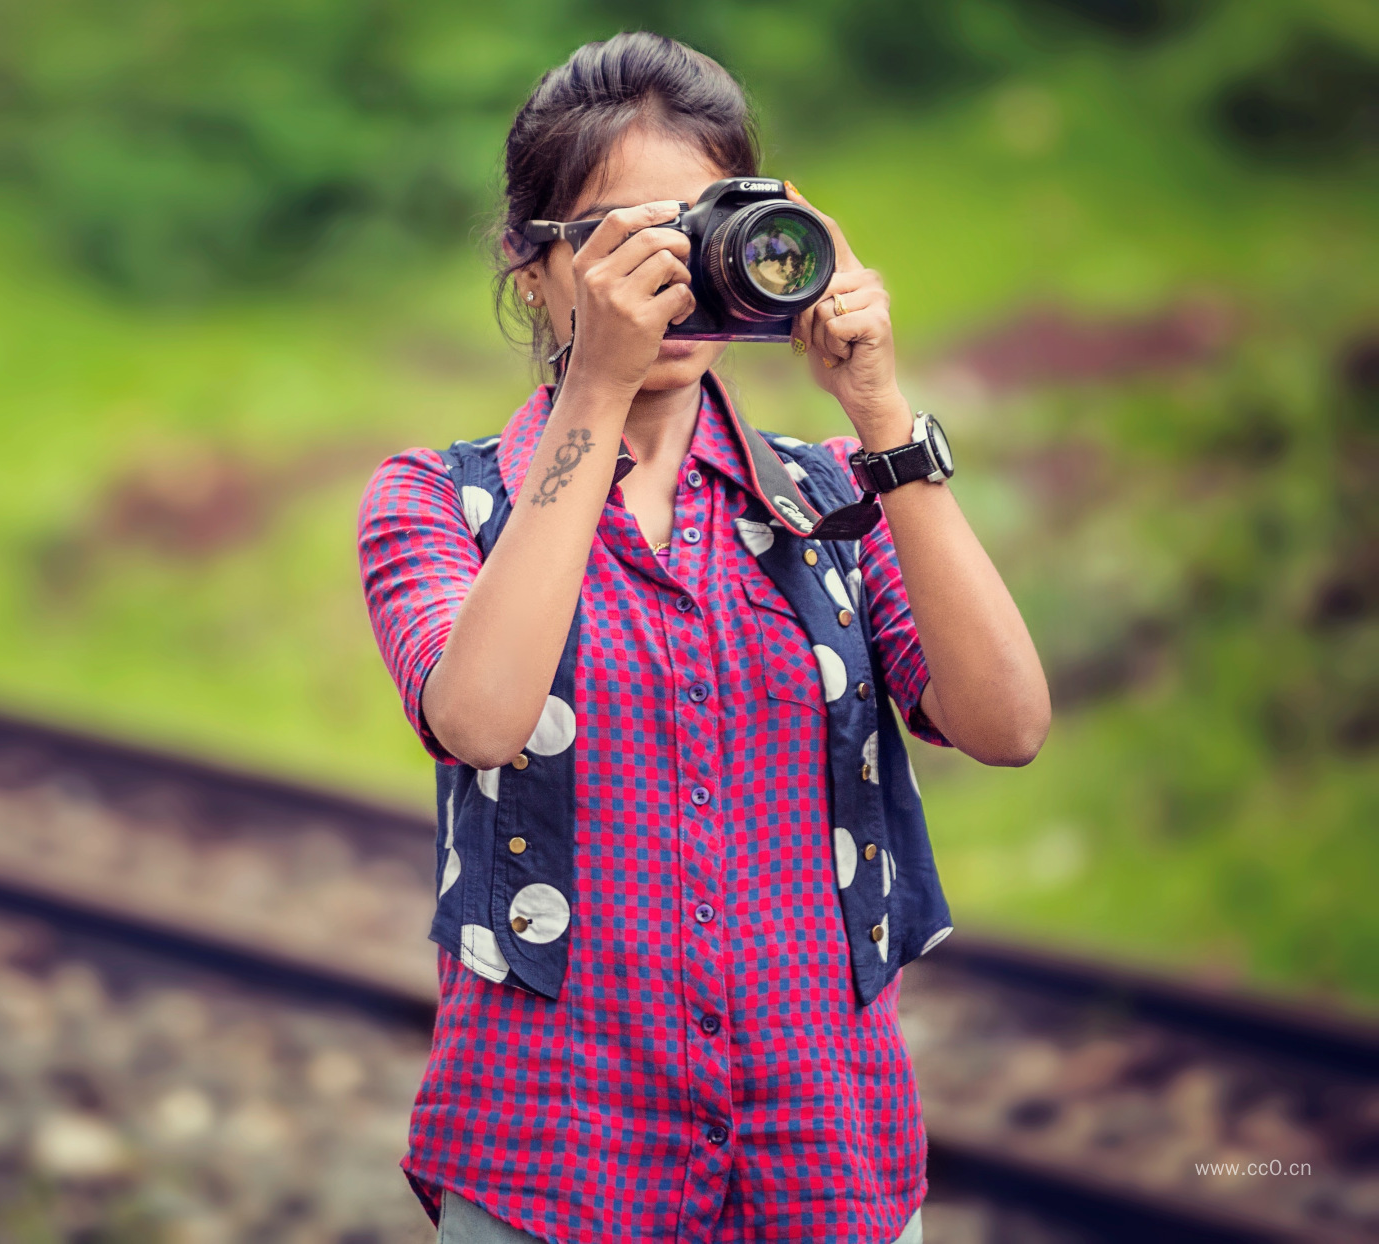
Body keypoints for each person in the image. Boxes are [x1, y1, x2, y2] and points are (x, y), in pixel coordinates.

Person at [355, 31, 1050, 1244]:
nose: (674, 276)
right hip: (551, 1159)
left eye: (703, 226)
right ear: (533, 268)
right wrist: (595, 393)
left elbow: (1007, 724)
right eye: (628, 241)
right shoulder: (433, 501)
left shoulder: (833, 496)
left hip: (823, 1154)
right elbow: (477, 718)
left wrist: (879, 409)